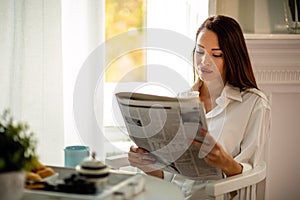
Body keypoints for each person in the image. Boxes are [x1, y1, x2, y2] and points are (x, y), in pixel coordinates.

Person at [128, 15, 271, 199]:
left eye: (216, 54)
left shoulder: (254, 104)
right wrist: (146, 164)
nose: (204, 62)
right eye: (200, 51)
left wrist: (226, 163)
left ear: (232, 57)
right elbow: (171, 176)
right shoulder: (182, 100)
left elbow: (249, 177)